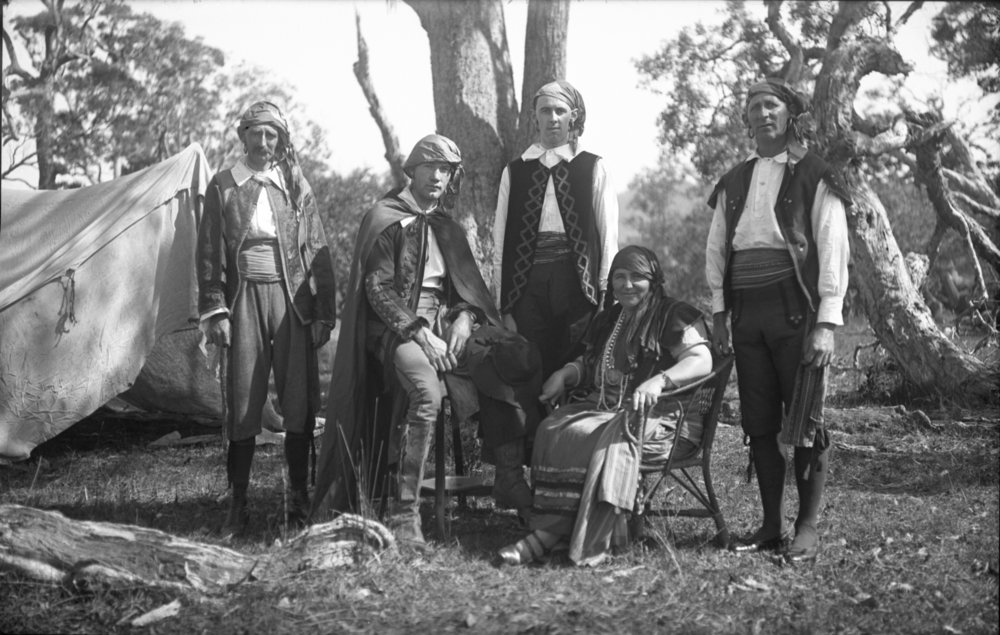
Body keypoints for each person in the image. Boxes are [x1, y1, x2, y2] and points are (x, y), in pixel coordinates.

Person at [310, 134, 540, 546]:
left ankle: (508, 477)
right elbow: (378, 290)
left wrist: (465, 319)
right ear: (412, 170)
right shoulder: (385, 218)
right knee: (427, 394)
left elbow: (466, 290)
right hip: (395, 329)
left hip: (444, 324)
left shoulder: (447, 227)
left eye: (446, 170)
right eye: (430, 167)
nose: (437, 176)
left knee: (509, 356)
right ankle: (405, 515)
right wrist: (420, 334)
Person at [705, 77, 851, 563]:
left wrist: (826, 322)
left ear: (790, 115)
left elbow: (831, 245)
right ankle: (771, 525)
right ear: (746, 120)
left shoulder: (816, 173)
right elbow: (717, 247)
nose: (763, 114)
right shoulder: (733, 180)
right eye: (754, 107)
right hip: (747, 312)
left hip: (796, 310)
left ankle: (806, 528)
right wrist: (721, 312)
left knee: (807, 419)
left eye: (772, 105)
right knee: (759, 421)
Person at [498, 246, 713, 566]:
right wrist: (565, 374)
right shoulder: (610, 318)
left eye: (637, 277)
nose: (627, 285)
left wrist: (659, 381)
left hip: (665, 418)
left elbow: (701, 360)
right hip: (609, 408)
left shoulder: (673, 314)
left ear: (654, 280)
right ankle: (562, 527)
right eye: (619, 277)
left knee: (591, 437)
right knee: (552, 428)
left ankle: (547, 537)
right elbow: (591, 364)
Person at [197, 100, 336, 538]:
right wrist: (216, 309)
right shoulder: (223, 185)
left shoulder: (294, 184)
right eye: (255, 133)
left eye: (271, 134)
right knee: (242, 400)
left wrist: (323, 311)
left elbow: (317, 248)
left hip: (291, 299)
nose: (262, 142)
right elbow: (209, 253)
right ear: (243, 138)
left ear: (281, 140)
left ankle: (297, 501)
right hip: (243, 299)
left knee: (299, 400)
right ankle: (237, 505)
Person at [492, 79, 619, 380]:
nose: (552, 118)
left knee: (573, 362)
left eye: (560, 111)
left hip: (578, 284)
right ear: (534, 116)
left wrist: (606, 294)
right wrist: (503, 304)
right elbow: (500, 240)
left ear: (572, 117)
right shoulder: (515, 171)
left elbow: (608, 236)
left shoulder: (592, 167)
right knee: (531, 366)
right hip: (526, 285)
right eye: (545, 110)